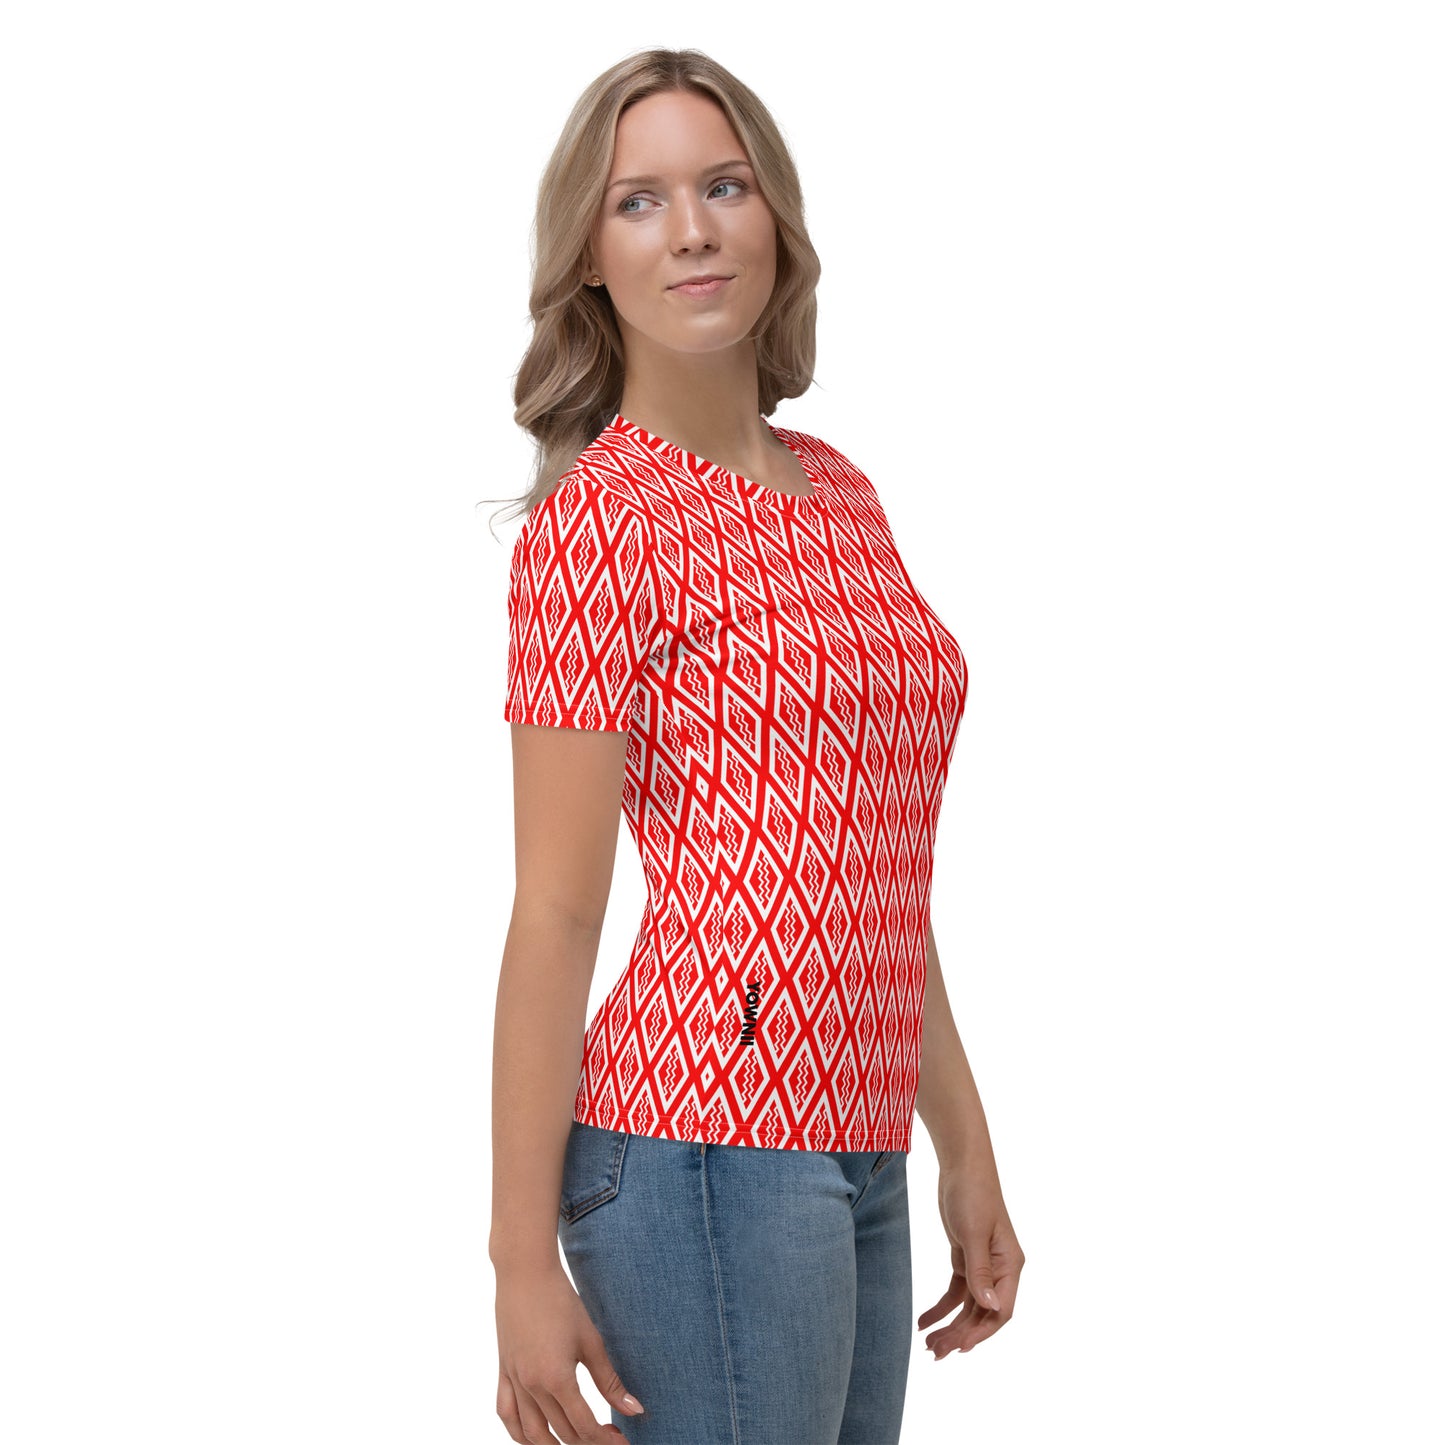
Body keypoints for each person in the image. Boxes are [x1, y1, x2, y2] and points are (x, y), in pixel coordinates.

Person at [488, 48, 1024, 1445]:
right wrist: (515, 1262)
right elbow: (554, 909)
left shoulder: (843, 494)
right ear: (589, 256)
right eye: (639, 201)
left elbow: (870, 860)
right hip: (700, 1143)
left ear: (774, 217)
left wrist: (961, 1143)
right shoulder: (597, 523)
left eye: (723, 186)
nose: (691, 229)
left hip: (859, 1144)